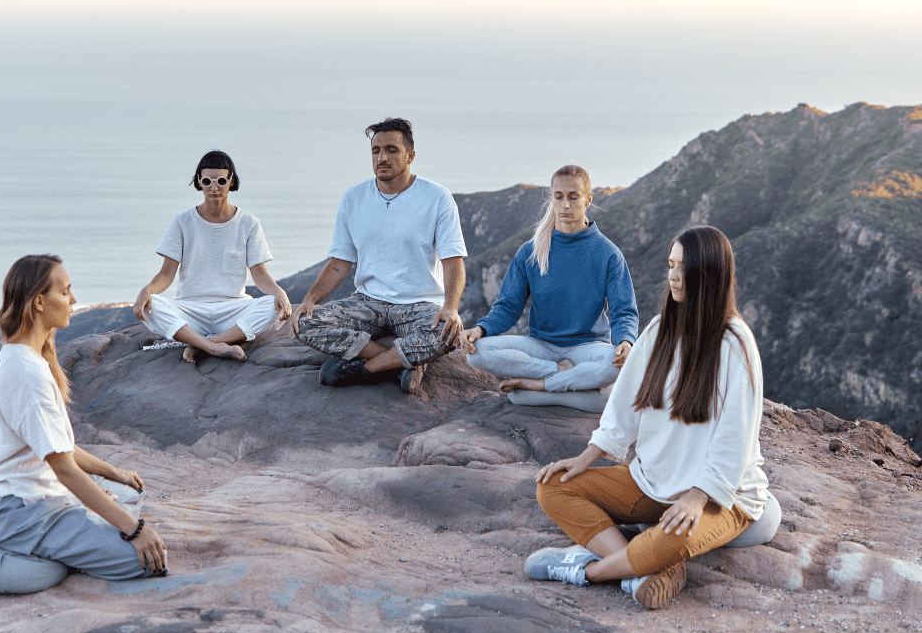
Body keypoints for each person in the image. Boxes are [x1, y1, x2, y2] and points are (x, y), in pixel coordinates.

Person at [524, 225, 767, 610]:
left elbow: (734, 438)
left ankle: (588, 571)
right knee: (553, 486)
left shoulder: (735, 343)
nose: (673, 275)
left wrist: (697, 496)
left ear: (709, 274)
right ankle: (644, 569)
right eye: (670, 265)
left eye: (683, 267)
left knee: (677, 538)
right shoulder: (659, 330)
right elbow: (623, 407)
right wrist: (587, 457)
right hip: (652, 483)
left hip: (722, 498)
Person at [0, 254, 168, 581]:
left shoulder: (24, 355)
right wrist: (135, 529)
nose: (73, 300)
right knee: (146, 561)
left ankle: (80, 529)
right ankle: (72, 537)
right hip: (18, 511)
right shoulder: (27, 373)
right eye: (65, 291)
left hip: (33, 496)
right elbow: (64, 469)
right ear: (38, 302)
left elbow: (59, 448)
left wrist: (114, 473)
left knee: (129, 491)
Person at [291, 117, 467, 394]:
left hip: (419, 304)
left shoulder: (437, 197)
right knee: (304, 323)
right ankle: (397, 362)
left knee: (446, 335)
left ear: (410, 156)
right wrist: (310, 300)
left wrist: (451, 307)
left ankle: (363, 369)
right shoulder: (354, 198)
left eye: (391, 150)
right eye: (376, 151)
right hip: (368, 302)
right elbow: (340, 263)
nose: (382, 157)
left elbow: (453, 260)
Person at [462, 165, 638, 412]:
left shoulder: (608, 254)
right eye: (559, 197)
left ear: (588, 200)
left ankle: (534, 388)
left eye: (573, 197)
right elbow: (508, 307)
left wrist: (626, 341)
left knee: (612, 364)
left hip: (588, 347)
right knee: (476, 353)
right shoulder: (531, 251)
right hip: (540, 346)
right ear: (552, 198)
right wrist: (481, 329)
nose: (565, 205)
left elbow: (624, 311)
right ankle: (563, 378)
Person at [134, 150, 291, 363]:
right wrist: (147, 290)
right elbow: (166, 274)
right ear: (199, 181)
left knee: (273, 306)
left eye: (221, 180)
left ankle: (202, 345)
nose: (214, 187)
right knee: (153, 307)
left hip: (232, 308)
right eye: (207, 181)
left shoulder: (249, 223)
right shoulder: (182, 222)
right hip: (190, 308)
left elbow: (260, 274)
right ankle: (215, 346)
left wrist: (278, 292)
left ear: (231, 181)